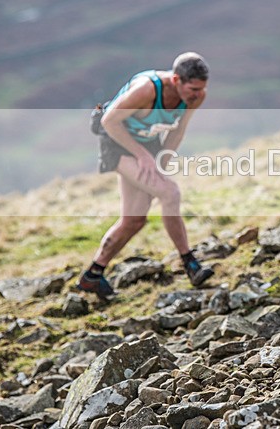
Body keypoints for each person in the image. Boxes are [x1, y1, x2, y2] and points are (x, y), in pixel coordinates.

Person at [77, 52, 214, 299]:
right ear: (176, 80)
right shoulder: (147, 89)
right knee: (170, 193)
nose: (197, 94)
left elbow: (178, 131)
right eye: (193, 88)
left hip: (148, 146)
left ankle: (92, 275)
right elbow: (109, 121)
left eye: (201, 88)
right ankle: (190, 264)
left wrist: (162, 160)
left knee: (134, 220)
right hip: (117, 142)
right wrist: (142, 155)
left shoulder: (195, 96)